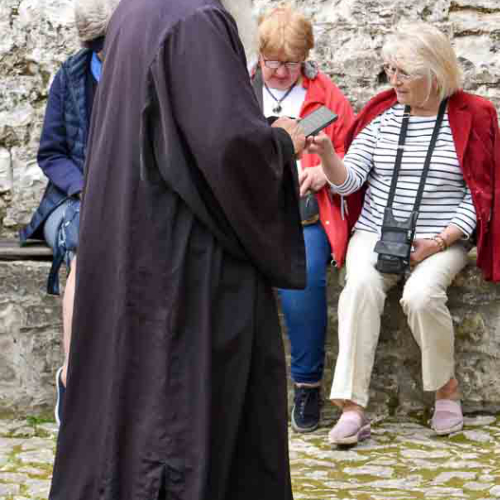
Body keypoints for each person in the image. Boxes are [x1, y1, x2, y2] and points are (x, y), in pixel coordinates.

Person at [48, 0, 308, 499]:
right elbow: (226, 153)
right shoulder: (195, 21)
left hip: (142, 243)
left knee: (138, 414)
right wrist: (280, 144)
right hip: (185, 264)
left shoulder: (136, 9)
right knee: (180, 423)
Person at [306, 23, 500, 446]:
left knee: (421, 296)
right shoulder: (383, 117)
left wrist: (440, 241)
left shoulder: (472, 117)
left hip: (442, 238)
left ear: (435, 73)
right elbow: (350, 181)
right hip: (377, 232)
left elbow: (479, 195)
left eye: (403, 72)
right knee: (359, 287)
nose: (393, 80)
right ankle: (352, 409)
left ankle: (445, 389)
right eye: (389, 69)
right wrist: (328, 157)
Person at [251, 6, 355, 433]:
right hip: (246, 211)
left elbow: (351, 153)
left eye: (290, 64)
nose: (280, 72)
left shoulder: (325, 96)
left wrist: (322, 172)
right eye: (272, 62)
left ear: (306, 59)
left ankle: (307, 384)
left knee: (306, 278)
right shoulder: (240, 88)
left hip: (305, 214)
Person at [19, 0, 119, 427]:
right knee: (85, 244)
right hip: (71, 198)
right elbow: (51, 153)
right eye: (98, 46)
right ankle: (73, 377)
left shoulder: (143, 73)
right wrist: (84, 188)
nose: (105, 53)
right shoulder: (70, 76)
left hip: (126, 198)